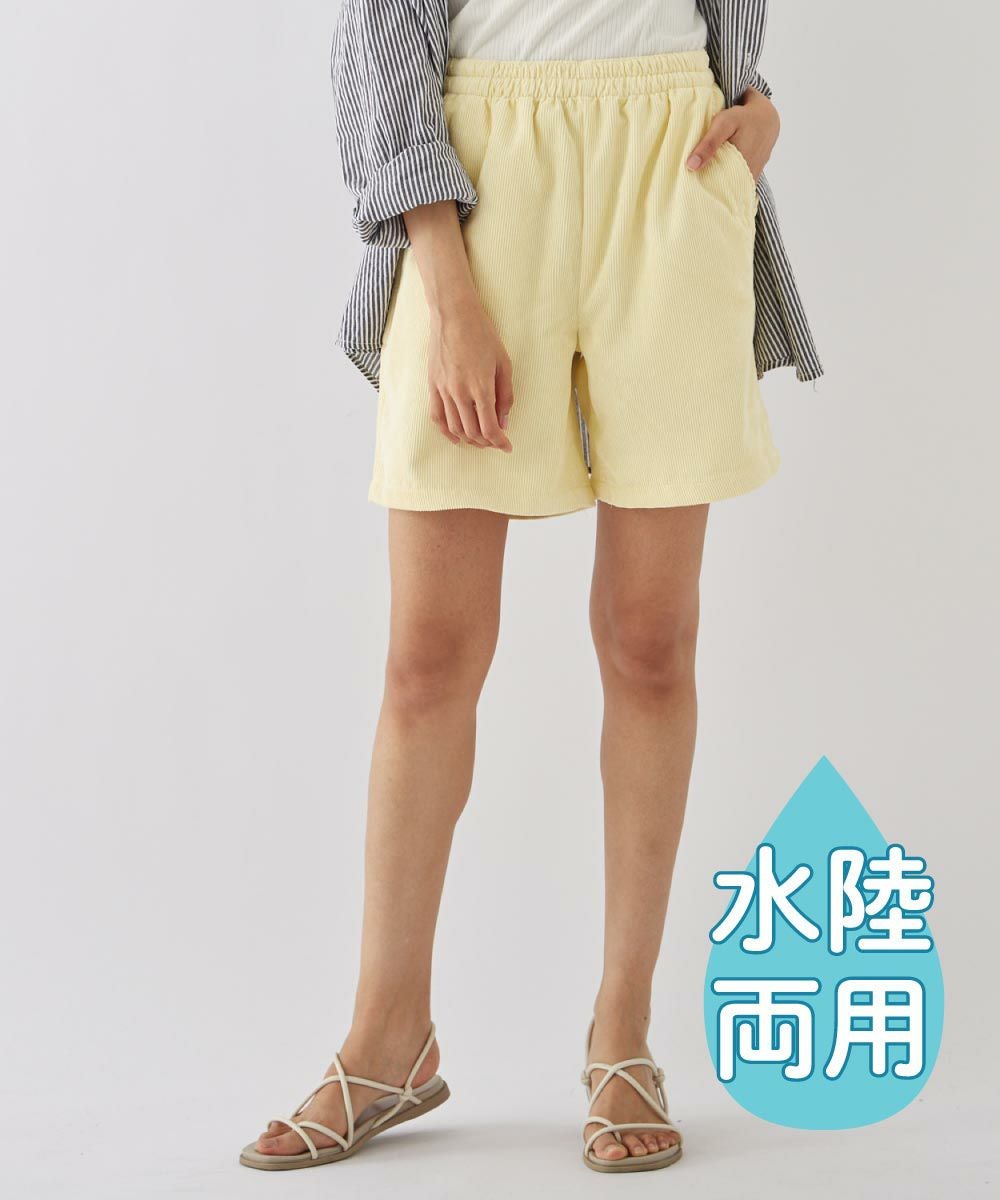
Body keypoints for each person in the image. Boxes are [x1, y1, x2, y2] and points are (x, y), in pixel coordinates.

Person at [240, 0, 821, 1176]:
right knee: (427, 661)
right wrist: (444, 278)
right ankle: (387, 1038)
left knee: (650, 643)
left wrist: (759, 111)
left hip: (671, 163)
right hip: (480, 177)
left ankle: (622, 1033)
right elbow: (380, 30)